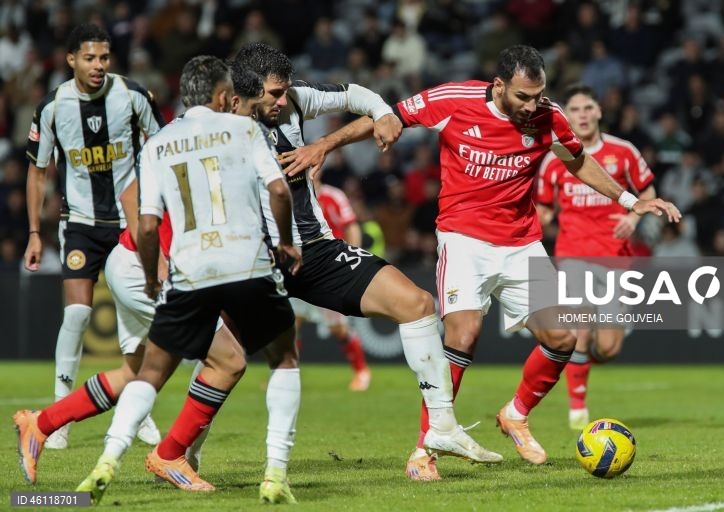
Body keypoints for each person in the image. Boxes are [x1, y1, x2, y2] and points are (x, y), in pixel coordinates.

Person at [284, 45, 681, 480]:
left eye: (539, 95)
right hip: (463, 238)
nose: (533, 106)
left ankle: (515, 414)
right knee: (464, 332)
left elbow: (578, 161)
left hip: (522, 241)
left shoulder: (548, 116)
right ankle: (424, 450)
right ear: (498, 86)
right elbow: (389, 115)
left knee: (563, 337)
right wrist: (326, 141)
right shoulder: (454, 99)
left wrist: (628, 200)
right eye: (524, 97)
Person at [229, 42, 501, 470]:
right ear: (243, 93)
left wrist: (383, 114)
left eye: (285, 91)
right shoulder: (221, 129)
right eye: (274, 94)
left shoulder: (297, 100)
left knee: (417, 304)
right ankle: (180, 452)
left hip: (315, 249)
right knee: (223, 361)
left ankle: (442, 428)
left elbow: (357, 93)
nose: (284, 100)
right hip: (253, 260)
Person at [76, 55, 302, 505]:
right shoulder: (244, 129)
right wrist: (286, 243)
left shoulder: (157, 145)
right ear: (223, 96)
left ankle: (107, 459)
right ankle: (275, 472)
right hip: (247, 264)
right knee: (283, 359)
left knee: (151, 371)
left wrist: (151, 277)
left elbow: (145, 226)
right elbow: (278, 190)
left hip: (190, 270)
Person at [13, 181, 246, 488]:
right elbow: (130, 195)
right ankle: (171, 454)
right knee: (229, 360)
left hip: (136, 263)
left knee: (136, 372)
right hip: (147, 271)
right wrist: (157, 263)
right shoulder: (189, 139)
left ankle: (40, 423)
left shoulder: (205, 140)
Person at [24, 23, 164, 449]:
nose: (98, 65)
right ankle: (59, 413)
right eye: (89, 58)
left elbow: (161, 149)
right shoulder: (53, 107)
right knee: (78, 314)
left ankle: (137, 412)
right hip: (81, 222)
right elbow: (37, 170)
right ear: (71, 60)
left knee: (133, 322)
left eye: (104, 57)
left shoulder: (134, 96)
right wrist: (34, 232)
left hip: (127, 223)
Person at [537, 84, 657, 431]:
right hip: (573, 253)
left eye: (588, 108)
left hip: (616, 258)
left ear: (599, 112)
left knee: (609, 346)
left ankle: (583, 366)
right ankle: (577, 408)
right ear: (567, 116)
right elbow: (545, 206)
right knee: (579, 327)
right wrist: (540, 220)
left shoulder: (624, 152)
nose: (583, 115)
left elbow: (647, 190)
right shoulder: (555, 157)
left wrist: (634, 217)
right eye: (575, 109)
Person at [291, 180, 371, 391]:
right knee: (291, 325)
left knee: (338, 329)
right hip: (298, 268)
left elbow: (351, 225)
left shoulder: (333, 196)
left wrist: (353, 258)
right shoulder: (291, 193)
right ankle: (287, 377)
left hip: (328, 270)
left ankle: (361, 371)